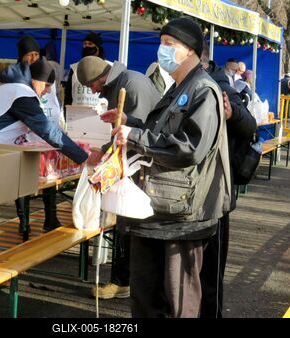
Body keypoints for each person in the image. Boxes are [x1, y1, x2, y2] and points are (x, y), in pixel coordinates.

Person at [101, 17, 231, 317]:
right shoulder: (179, 87)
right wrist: (127, 124)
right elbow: (161, 133)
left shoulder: (203, 90)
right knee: (146, 296)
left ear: (191, 50)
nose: (162, 51)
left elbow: (189, 147)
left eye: (169, 45)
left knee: (179, 301)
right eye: (161, 44)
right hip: (157, 209)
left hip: (182, 216)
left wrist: (133, 135)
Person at [0, 57, 88, 274]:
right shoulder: (22, 95)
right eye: (47, 85)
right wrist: (82, 157)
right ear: (36, 80)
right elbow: (48, 131)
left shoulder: (7, 88)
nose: (48, 92)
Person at [76, 55, 161, 300]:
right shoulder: (123, 82)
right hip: (133, 165)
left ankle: (124, 281)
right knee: (124, 223)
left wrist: (103, 152)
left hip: (140, 168)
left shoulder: (130, 85)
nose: (92, 91)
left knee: (128, 223)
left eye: (90, 85)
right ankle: (125, 280)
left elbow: (135, 133)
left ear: (99, 79)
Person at [199, 43, 257, 318]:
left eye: (170, 45)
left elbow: (250, 124)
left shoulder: (218, 81)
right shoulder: (174, 85)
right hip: (185, 195)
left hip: (214, 195)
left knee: (210, 271)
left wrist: (232, 111)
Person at [10, 35, 64, 234]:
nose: (33, 58)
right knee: (23, 182)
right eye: (29, 55)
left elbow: (54, 102)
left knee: (50, 178)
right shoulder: (16, 78)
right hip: (23, 139)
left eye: (36, 54)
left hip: (45, 136)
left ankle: (50, 217)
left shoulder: (45, 72)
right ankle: (24, 222)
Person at [64, 32, 111, 111]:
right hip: (78, 113)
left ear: (97, 47)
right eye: (85, 44)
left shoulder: (108, 67)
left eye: (90, 44)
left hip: (101, 114)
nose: (87, 46)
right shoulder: (75, 67)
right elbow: (69, 92)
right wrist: (67, 111)